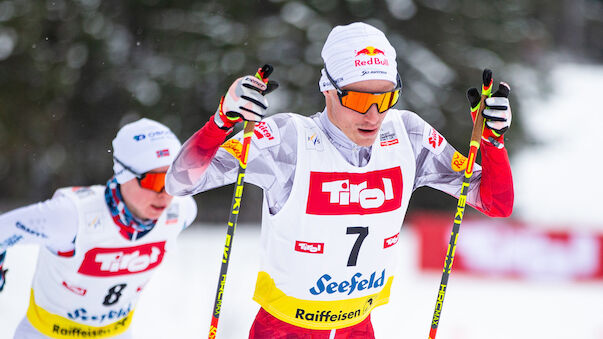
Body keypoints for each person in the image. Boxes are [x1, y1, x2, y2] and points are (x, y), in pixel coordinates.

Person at [166, 22, 513, 338]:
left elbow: (495, 202)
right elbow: (180, 183)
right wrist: (221, 122)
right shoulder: (288, 140)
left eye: (386, 97)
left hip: (357, 328)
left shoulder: (408, 135)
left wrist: (493, 142)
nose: (374, 115)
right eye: (360, 99)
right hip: (286, 329)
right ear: (328, 88)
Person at [0, 118, 197, 339]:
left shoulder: (182, 210)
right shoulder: (71, 215)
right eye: (154, 181)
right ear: (123, 173)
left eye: (175, 179)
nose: (166, 193)